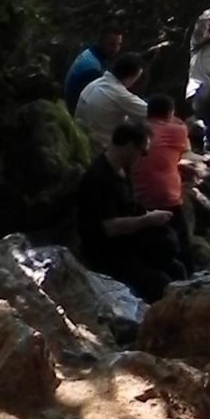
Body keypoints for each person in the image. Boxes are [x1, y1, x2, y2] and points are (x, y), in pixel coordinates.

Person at [76, 119, 186, 299]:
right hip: (107, 252)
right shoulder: (99, 178)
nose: (143, 157)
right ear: (129, 146)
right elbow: (109, 227)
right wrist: (147, 220)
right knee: (160, 284)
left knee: (177, 267)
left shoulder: (123, 170)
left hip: (129, 243)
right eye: (142, 152)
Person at [134, 91, 195, 274]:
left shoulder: (139, 130)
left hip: (138, 197)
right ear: (171, 113)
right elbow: (181, 127)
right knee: (182, 239)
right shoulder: (178, 131)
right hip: (165, 198)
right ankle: (189, 272)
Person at [73, 50, 148, 152]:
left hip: (79, 137)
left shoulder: (96, 83)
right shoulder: (119, 94)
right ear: (131, 76)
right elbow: (152, 112)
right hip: (96, 148)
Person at [63, 29, 123, 112]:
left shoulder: (91, 53)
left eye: (118, 45)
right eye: (111, 44)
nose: (115, 49)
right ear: (100, 42)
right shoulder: (93, 69)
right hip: (76, 110)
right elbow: (95, 101)